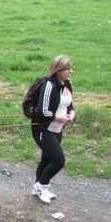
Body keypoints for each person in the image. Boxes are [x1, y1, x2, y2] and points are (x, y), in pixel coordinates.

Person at [31, 55, 75, 203]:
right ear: (58, 70)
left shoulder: (67, 83)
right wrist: (60, 118)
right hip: (43, 129)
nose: (70, 72)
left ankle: (39, 188)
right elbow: (43, 112)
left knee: (47, 159)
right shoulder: (49, 85)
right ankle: (41, 185)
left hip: (57, 129)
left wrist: (71, 113)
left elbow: (69, 104)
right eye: (67, 69)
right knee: (58, 161)